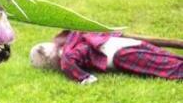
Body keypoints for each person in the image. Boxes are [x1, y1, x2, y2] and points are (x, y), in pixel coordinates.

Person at [30, 31, 183, 84]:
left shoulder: (67, 55)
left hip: (121, 55)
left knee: (171, 68)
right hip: (126, 43)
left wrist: (85, 77)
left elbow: (71, 64)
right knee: (167, 58)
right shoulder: (73, 37)